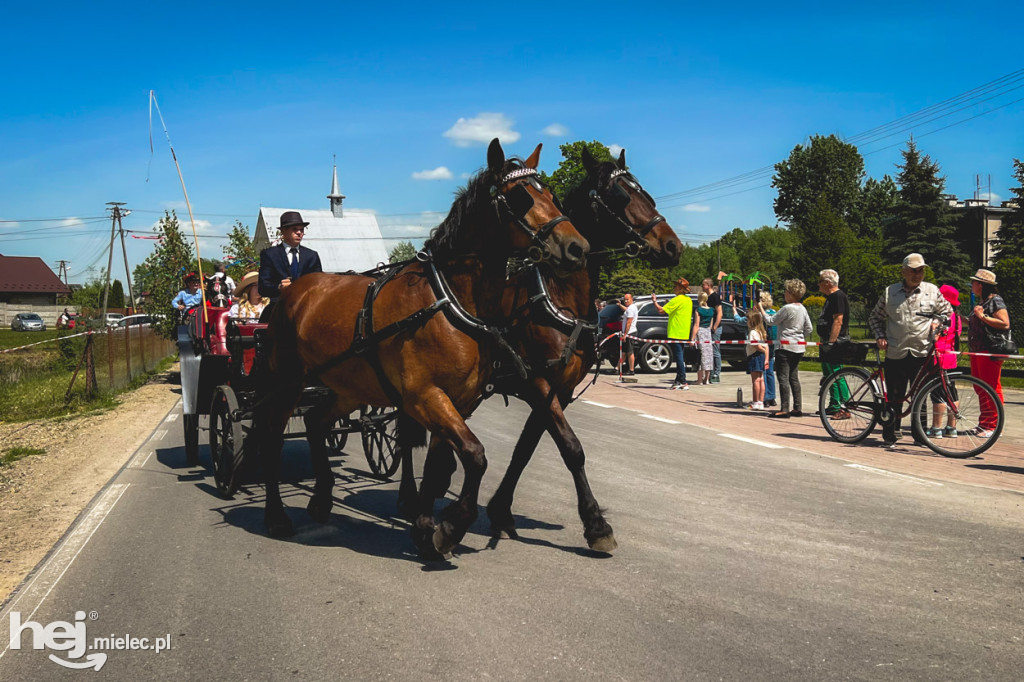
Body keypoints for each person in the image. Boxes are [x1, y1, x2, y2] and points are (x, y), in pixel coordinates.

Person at [868, 253, 953, 448]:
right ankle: (890, 434)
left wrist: (937, 323)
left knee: (920, 398)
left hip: (921, 352)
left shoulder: (932, 290)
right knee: (895, 395)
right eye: (913, 271)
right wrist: (880, 336)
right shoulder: (890, 292)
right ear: (904, 272)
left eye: (921, 270)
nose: (918, 274)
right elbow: (874, 317)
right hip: (896, 351)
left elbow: (947, 311)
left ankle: (919, 435)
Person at [968, 268, 1011, 437]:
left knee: (991, 386)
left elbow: (1004, 323)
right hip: (978, 349)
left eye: (974, 282)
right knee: (980, 387)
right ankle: (984, 423)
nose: (971, 285)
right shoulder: (983, 301)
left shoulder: (995, 301)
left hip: (989, 349)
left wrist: (982, 316)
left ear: (981, 284)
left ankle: (993, 426)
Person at [767, 279, 814, 418]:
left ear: (791, 293)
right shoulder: (802, 308)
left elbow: (771, 321)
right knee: (794, 377)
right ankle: (797, 407)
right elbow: (809, 328)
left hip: (785, 346)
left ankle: (784, 408)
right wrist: (800, 336)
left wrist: (762, 311)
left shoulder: (787, 308)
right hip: (799, 347)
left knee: (783, 378)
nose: (784, 294)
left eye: (786, 291)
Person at [258, 211, 323, 300]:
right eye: (295, 229)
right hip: (279, 306)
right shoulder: (270, 255)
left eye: (302, 229)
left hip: (306, 306)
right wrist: (279, 287)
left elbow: (319, 283)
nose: (299, 232)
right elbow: (263, 288)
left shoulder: (311, 256)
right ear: (283, 231)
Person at [928, 284, 963, 438]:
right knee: (951, 392)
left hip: (937, 357)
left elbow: (934, 335)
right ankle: (951, 427)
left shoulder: (941, 317)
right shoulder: (957, 316)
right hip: (951, 356)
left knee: (938, 393)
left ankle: (936, 428)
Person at [817, 269, 851, 418]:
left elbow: (838, 320)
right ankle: (834, 404)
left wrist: (831, 342)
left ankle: (845, 407)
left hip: (836, 341)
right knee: (828, 374)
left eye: (820, 281)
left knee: (837, 374)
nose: (818, 285)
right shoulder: (830, 298)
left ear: (827, 283)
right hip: (826, 341)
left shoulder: (838, 296)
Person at [651, 278, 693, 390]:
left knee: (678, 357)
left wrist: (654, 301)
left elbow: (661, 311)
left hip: (676, 331)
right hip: (684, 332)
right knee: (680, 356)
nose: (674, 288)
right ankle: (678, 380)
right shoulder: (688, 300)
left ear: (680, 289)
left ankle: (683, 380)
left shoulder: (677, 299)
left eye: (676, 286)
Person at [754, 291, 778, 407]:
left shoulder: (760, 314)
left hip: (763, 343)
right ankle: (772, 396)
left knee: (763, 370)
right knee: (770, 371)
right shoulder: (774, 312)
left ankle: (765, 397)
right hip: (773, 343)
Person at [745, 308, 769, 410]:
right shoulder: (761, 332)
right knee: (761, 379)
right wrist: (766, 358)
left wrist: (762, 350)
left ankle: (755, 402)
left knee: (755, 380)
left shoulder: (752, 333)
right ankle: (761, 401)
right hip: (761, 357)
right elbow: (766, 346)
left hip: (754, 356)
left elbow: (756, 345)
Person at [701, 278, 724, 383]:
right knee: (708, 351)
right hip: (707, 327)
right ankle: (709, 374)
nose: (702, 286)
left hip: (716, 327)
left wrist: (715, 326)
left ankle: (716, 373)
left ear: (708, 285)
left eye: (703, 285)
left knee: (715, 351)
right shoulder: (706, 297)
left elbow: (720, 312)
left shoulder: (715, 297)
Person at [692, 292, 715, 385]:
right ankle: (707, 379)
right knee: (708, 355)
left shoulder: (698, 310)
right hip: (708, 333)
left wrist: (692, 338)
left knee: (700, 355)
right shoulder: (711, 310)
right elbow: (711, 325)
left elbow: (696, 325)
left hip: (700, 332)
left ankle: (699, 380)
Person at [617, 293, 639, 375]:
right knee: (624, 352)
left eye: (627, 299)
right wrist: (619, 305)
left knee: (630, 352)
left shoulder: (631, 309)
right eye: (625, 299)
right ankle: (617, 368)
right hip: (628, 333)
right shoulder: (630, 308)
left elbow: (629, 322)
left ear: (631, 299)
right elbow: (626, 309)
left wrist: (625, 335)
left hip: (630, 333)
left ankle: (631, 370)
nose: (626, 301)